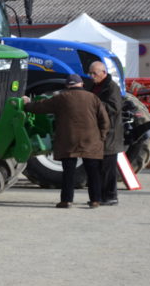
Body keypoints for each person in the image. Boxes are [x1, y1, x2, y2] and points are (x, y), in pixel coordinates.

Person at [23, 74, 110, 208]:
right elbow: (104, 120)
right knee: (93, 172)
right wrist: (101, 137)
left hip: (69, 140)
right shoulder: (93, 98)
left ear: (68, 85)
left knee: (68, 172)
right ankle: (95, 200)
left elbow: (40, 107)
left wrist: (27, 104)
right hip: (91, 140)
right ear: (81, 84)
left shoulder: (62, 98)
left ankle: (67, 200)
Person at [88, 61, 124, 206]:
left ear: (103, 72)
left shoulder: (111, 87)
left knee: (108, 168)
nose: (91, 76)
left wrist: (94, 105)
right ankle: (102, 196)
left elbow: (114, 107)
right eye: (90, 73)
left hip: (111, 134)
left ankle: (111, 196)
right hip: (100, 133)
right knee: (100, 167)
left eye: (94, 73)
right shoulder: (95, 86)